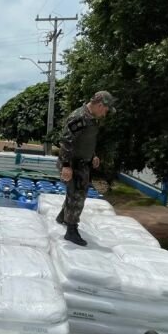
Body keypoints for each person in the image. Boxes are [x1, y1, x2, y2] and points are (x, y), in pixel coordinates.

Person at [55, 91, 116, 246]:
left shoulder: (92, 118)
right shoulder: (79, 117)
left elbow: (85, 140)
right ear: (100, 105)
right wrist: (67, 166)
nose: (106, 113)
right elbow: (66, 142)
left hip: (82, 162)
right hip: (72, 163)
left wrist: (93, 155)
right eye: (106, 109)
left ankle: (63, 217)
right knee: (78, 195)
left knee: (74, 192)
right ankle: (71, 230)